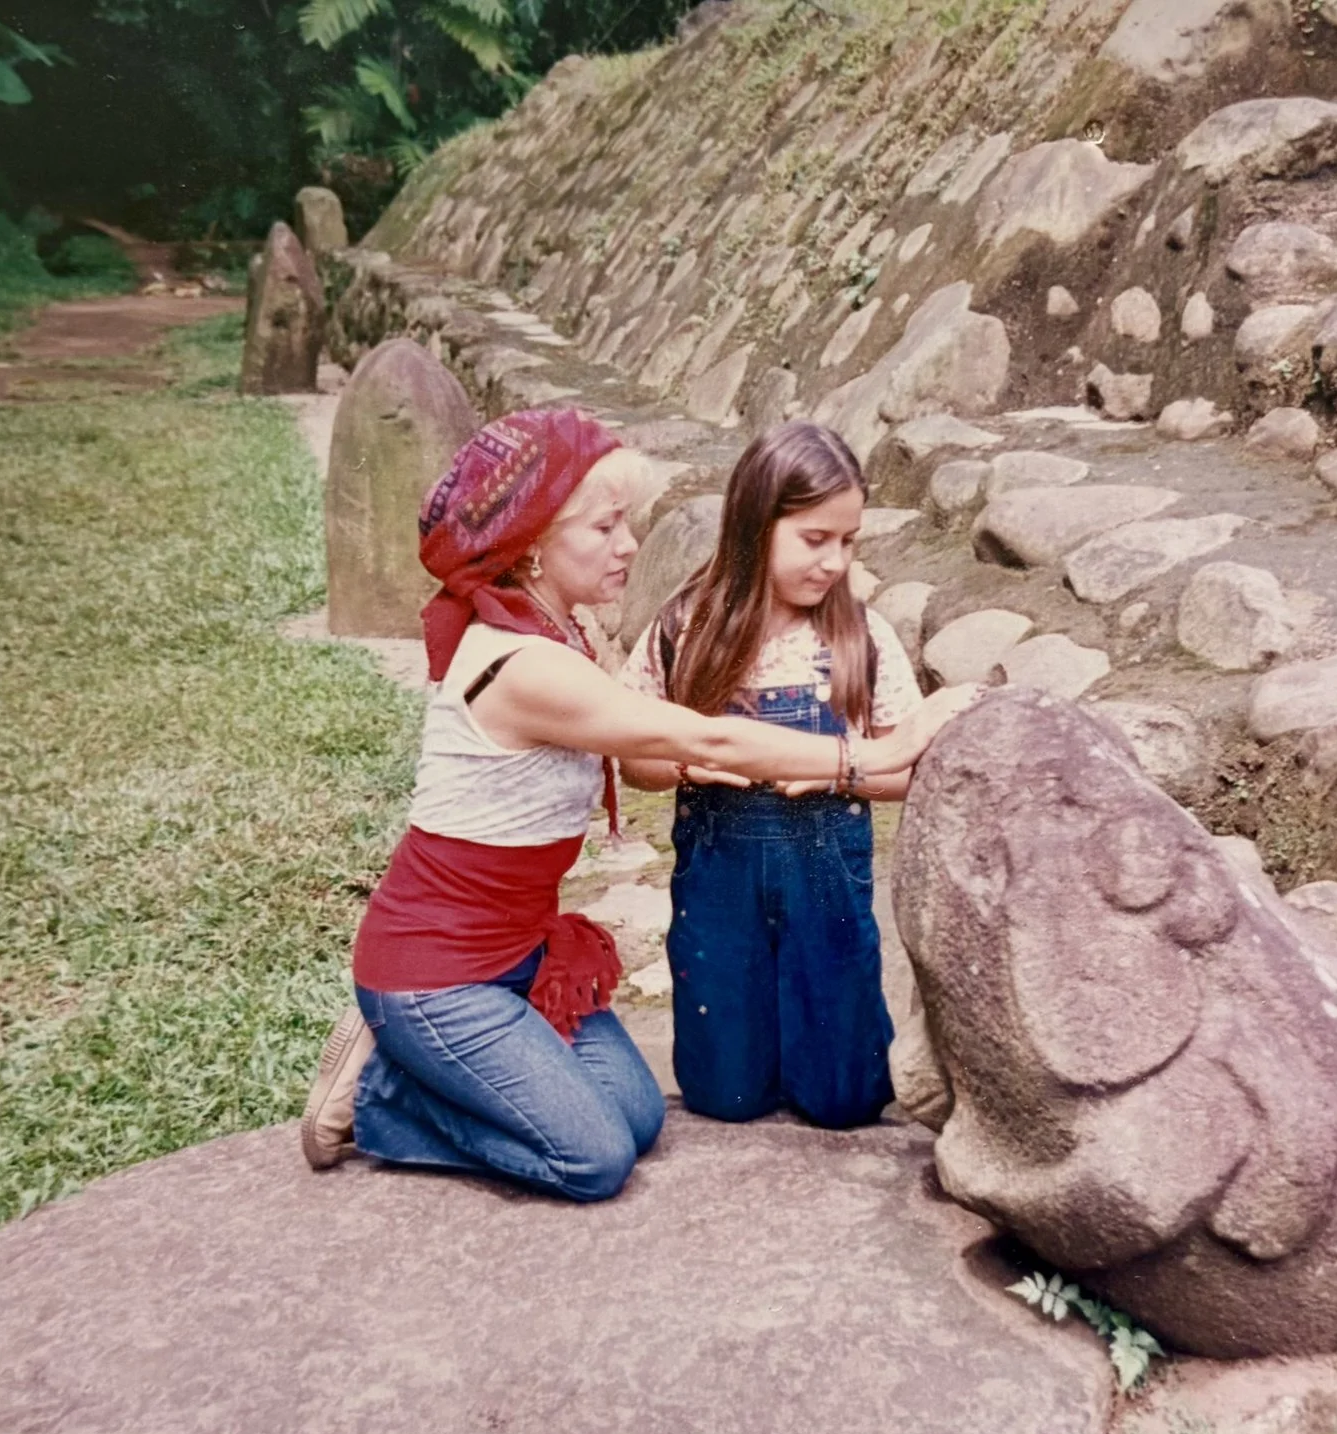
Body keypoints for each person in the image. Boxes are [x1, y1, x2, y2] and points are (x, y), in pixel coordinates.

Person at [299, 407, 972, 1201]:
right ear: (532, 544)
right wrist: (875, 754)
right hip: (441, 969)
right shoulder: (521, 665)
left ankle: (462, 1062)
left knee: (637, 1110)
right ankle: (383, 1088)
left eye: (627, 524)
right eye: (606, 526)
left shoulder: (556, 632)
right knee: (595, 1155)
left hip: (521, 956)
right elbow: (706, 742)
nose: (628, 545)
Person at [619, 422, 917, 1131]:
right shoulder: (685, 629)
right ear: (757, 524)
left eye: (847, 542)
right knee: (725, 1095)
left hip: (826, 884)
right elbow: (633, 758)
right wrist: (683, 762)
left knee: (845, 1100)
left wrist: (844, 779)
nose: (833, 562)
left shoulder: (862, 640)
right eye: (815, 539)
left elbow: (904, 767)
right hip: (720, 884)